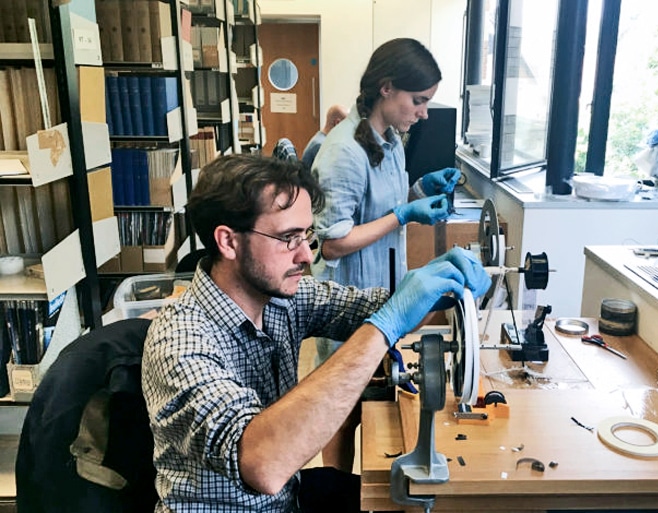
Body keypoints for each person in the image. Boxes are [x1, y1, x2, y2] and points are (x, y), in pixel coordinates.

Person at [141, 154, 490, 513]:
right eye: (288, 238)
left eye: (306, 235)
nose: (307, 256)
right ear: (228, 242)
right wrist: (385, 325)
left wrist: (440, 287)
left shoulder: (282, 298)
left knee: (416, 501)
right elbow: (263, 464)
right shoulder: (179, 339)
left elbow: (381, 308)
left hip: (285, 501)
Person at [310, 37, 462, 471]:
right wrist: (402, 213)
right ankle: (334, 492)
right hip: (346, 299)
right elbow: (333, 241)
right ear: (387, 88)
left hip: (380, 293)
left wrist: (420, 190)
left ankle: (367, 490)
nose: (424, 113)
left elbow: (383, 207)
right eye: (418, 100)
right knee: (343, 411)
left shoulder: (390, 137)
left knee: (374, 398)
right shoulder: (344, 151)